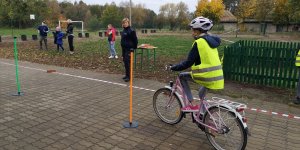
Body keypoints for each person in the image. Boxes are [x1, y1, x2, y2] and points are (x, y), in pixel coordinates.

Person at [169, 16, 224, 112]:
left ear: (198, 31)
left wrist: (174, 67)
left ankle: (192, 104)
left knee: (182, 76)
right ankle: (203, 115)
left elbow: (188, 63)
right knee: (201, 93)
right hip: (218, 76)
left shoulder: (199, 43)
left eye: (193, 30)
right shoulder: (210, 41)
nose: (192, 32)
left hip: (208, 76)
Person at [121, 18, 138, 82]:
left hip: (129, 49)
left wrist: (133, 48)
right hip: (124, 49)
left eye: (126, 23)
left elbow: (135, 40)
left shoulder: (131, 31)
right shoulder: (123, 31)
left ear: (128, 23)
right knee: (125, 62)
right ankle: (127, 75)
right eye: (123, 23)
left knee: (128, 63)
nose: (124, 24)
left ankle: (129, 77)